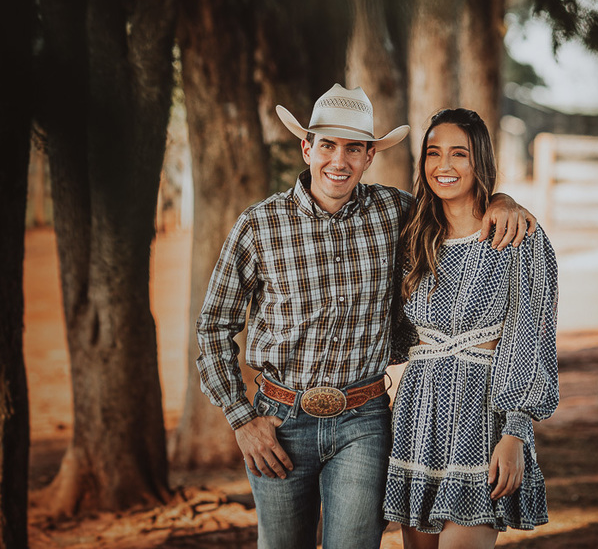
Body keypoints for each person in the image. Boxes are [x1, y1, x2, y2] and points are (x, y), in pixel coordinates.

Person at [195, 85, 536, 549]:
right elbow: (213, 326)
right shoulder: (259, 224)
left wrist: (503, 201)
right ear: (307, 148)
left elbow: (458, 204)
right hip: (279, 421)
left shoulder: (398, 213)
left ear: (369, 155)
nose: (339, 160)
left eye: (353, 148)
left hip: (364, 420)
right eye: (327, 146)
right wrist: (241, 419)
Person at [384, 107, 559, 548]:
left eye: (458, 154)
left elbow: (531, 338)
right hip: (418, 414)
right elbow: (398, 335)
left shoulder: (518, 236)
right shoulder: (414, 237)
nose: (443, 165)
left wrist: (515, 432)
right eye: (433, 153)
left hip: (483, 417)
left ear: (479, 160)